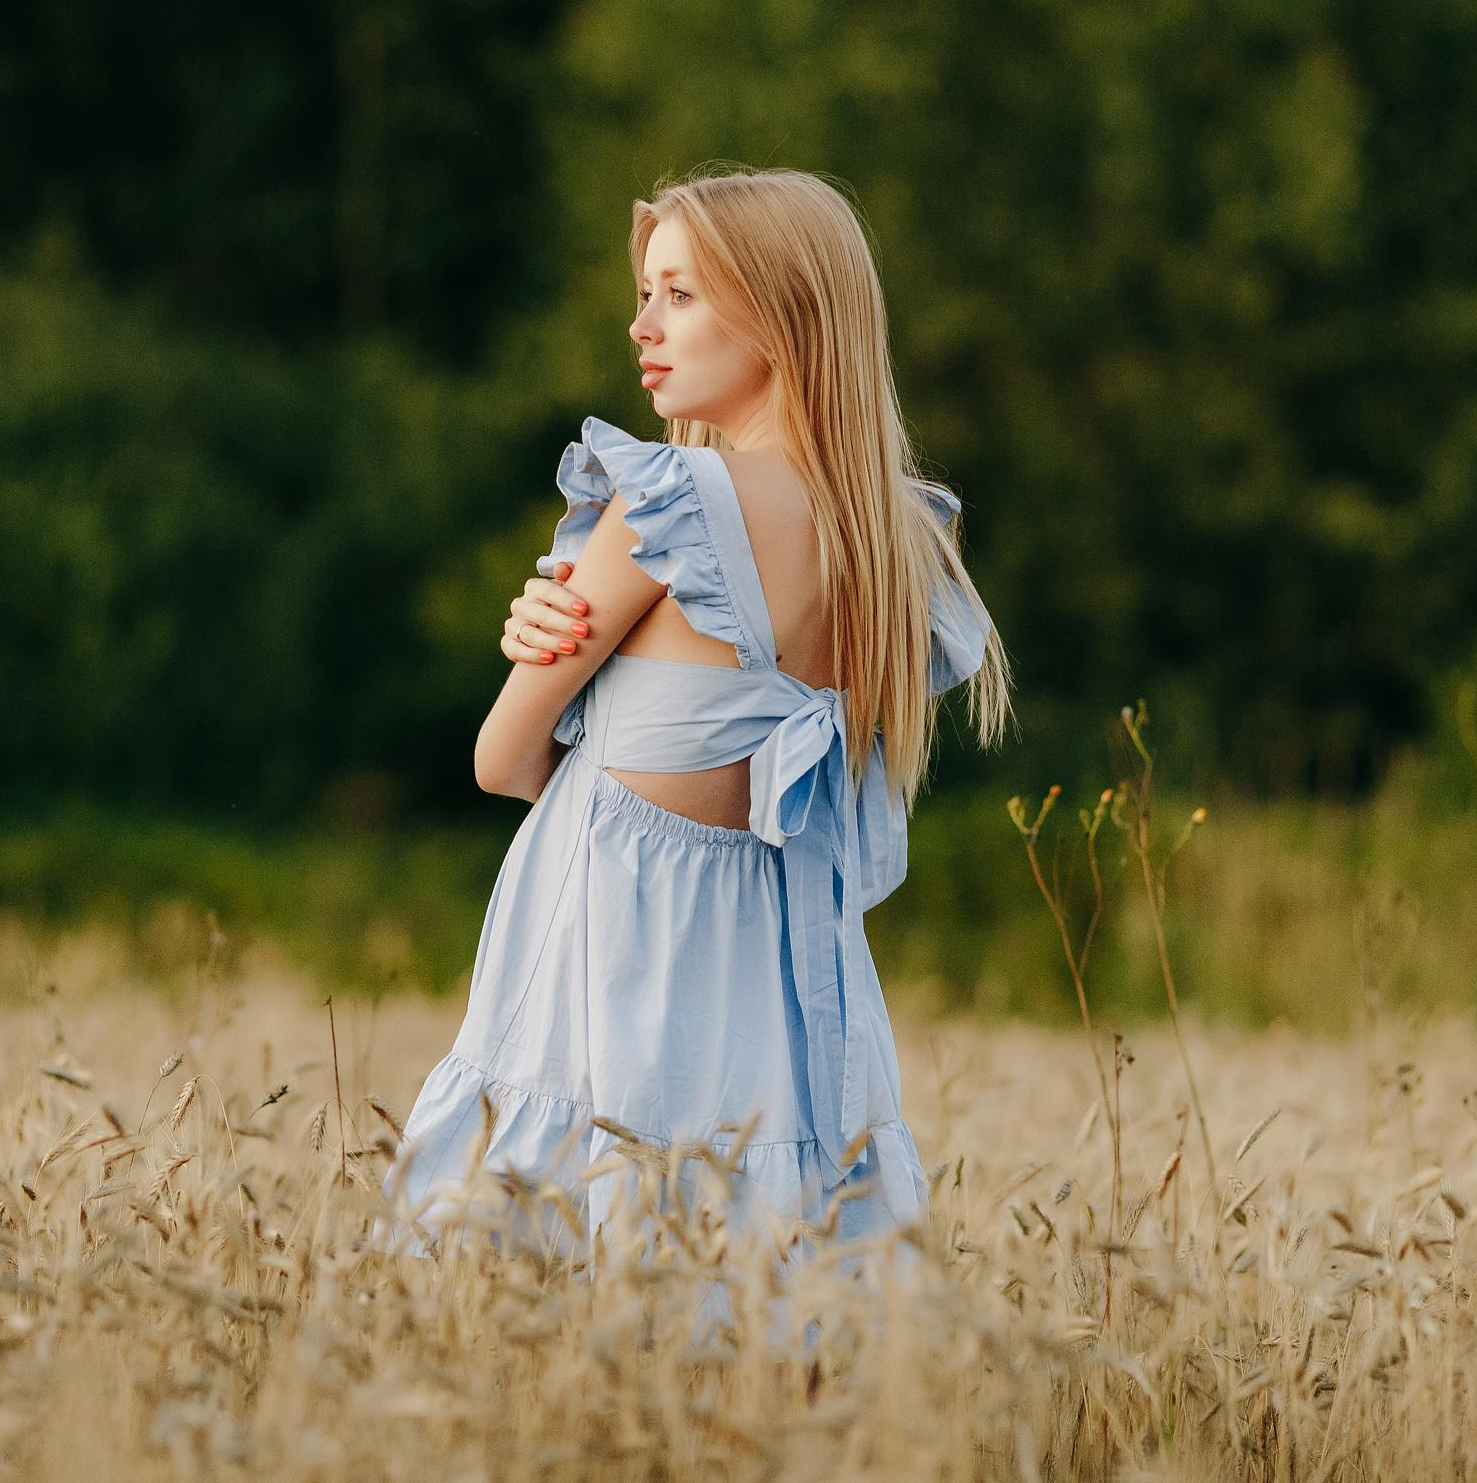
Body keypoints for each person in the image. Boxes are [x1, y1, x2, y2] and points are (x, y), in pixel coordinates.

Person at [376, 166, 1012, 1296]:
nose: (640, 323)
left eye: (679, 293)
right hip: (788, 996)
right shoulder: (899, 544)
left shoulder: (669, 506)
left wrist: (541, 655)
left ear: (777, 313)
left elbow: (501, 760)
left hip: (615, 963)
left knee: (547, 1281)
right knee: (777, 1298)